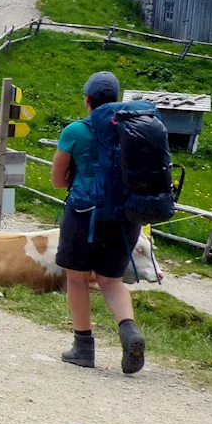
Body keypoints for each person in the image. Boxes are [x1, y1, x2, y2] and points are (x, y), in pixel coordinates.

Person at [52, 71, 147, 374]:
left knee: (78, 279)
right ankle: (129, 330)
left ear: (88, 100)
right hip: (124, 219)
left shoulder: (75, 132)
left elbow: (56, 180)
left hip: (84, 215)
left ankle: (83, 348)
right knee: (111, 281)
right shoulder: (133, 129)